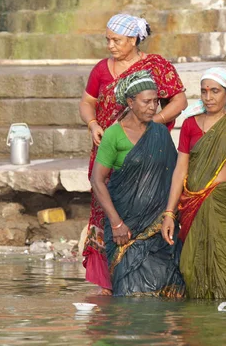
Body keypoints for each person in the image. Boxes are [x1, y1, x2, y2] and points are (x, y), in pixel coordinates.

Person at [79, 14, 187, 293]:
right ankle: (111, 279)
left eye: (116, 40)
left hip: (147, 154)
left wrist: (155, 123)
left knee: (150, 207)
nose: (110, 46)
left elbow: (180, 100)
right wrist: (93, 125)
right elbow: (87, 103)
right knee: (106, 208)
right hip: (108, 147)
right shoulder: (102, 69)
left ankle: (153, 277)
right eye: (108, 40)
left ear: (133, 40)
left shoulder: (157, 66)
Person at [161, 67, 226, 300]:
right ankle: (200, 325)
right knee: (192, 265)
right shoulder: (189, 125)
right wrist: (169, 212)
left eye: (215, 91)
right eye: (204, 91)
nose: (209, 97)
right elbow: (180, 170)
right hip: (193, 206)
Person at [90, 70, 185, 297]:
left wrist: (170, 215)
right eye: (146, 102)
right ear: (130, 102)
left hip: (159, 229)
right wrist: (116, 223)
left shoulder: (161, 133)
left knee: (168, 294)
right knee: (129, 296)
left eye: (155, 102)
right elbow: (97, 180)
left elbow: (173, 175)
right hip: (126, 230)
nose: (153, 107)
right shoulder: (114, 135)